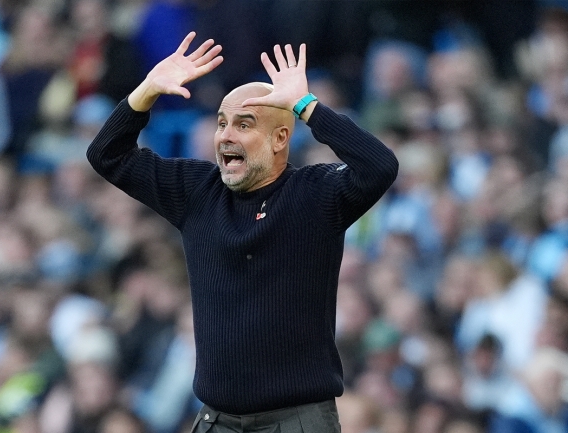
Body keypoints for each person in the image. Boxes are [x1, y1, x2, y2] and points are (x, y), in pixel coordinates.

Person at [87, 32, 398, 432]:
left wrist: (306, 106)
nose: (226, 135)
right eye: (221, 123)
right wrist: (146, 91)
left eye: (243, 124)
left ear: (279, 138)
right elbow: (106, 154)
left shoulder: (317, 194)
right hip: (217, 420)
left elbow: (380, 166)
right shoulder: (197, 191)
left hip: (296, 421)